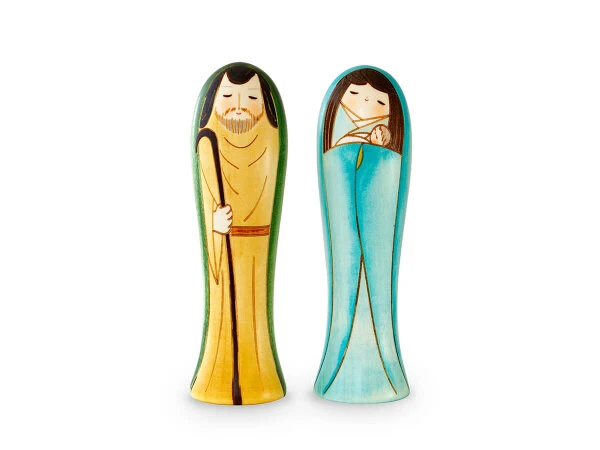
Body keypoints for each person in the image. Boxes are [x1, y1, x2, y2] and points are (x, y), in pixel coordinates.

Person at [314, 68, 410, 402]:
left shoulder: (384, 146)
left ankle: (382, 370)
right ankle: (339, 371)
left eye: (378, 101)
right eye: (355, 95)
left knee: (376, 284)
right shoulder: (338, 145)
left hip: (377, 231)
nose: (365, 104)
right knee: (345, 272)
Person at [190, 66, 284, 405]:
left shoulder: (271, 139)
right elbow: (208, 203)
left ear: (265, 106)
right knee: (225, 317)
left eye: (251, 98)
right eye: (228, 96)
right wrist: (216, 226)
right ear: (213, 104)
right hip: (225, 247)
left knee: (254, 315)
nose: (239, 106)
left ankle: (260, 372)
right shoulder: (207, 143)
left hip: (258, 251)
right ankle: (216, 376)